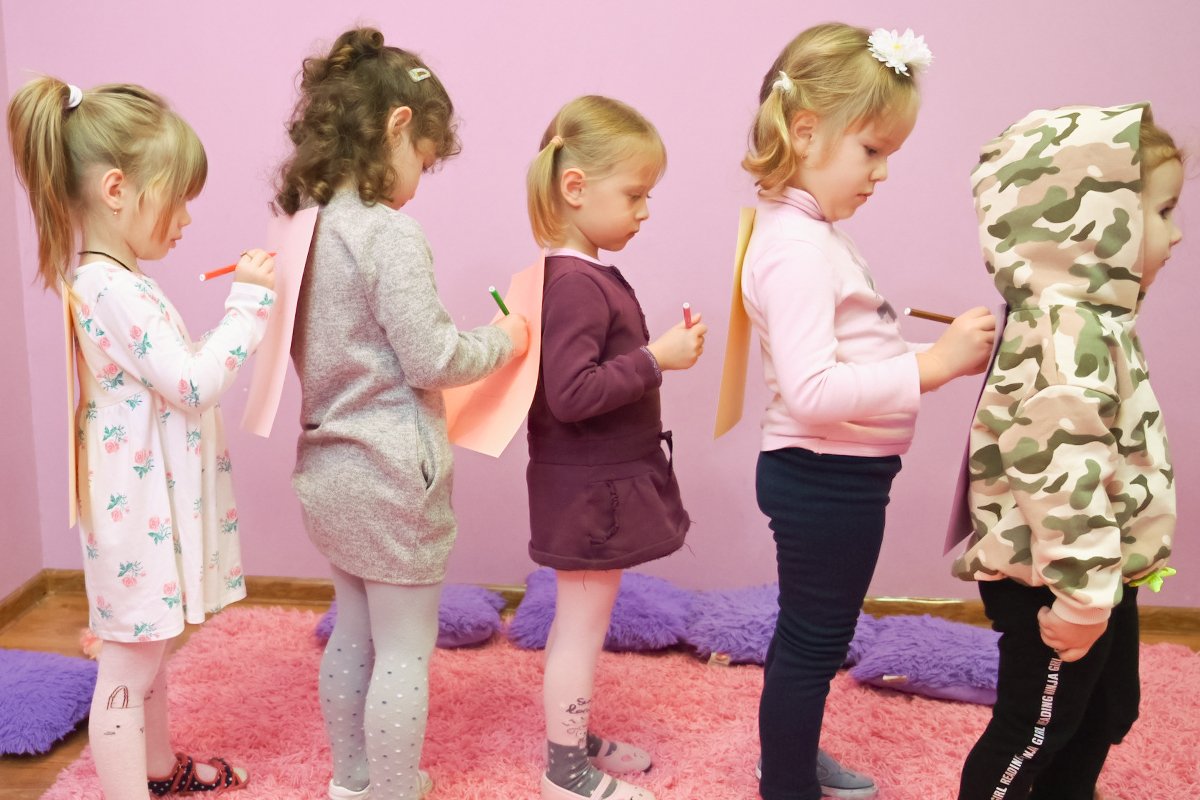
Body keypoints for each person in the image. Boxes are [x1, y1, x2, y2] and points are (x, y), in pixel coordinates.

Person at [739, 23, 995, 800]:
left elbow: (846, 356)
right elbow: (813, 391)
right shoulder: (797, 250)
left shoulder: (817, 237)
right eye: (872, 150)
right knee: (814, 642)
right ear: (806, 131)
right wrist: (933, 365)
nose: (882, 173)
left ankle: (788, 756)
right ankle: (786, 783)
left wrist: (926, 354)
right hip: (823, 479)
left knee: (812, 636)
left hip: (838, 476)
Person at [273, 27, 529, 800]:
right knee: (406, 650)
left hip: (328, 465)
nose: (420, 179)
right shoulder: (387, 232)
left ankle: (352, 781)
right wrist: (505, 340)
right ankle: (392, 790)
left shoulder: (307, 227)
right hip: (391, 475)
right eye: (424, 157)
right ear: (397, 126)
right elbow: (432, 358)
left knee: (353, 631)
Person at [7, 77, 275, 798]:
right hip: (137, 512)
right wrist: (248, 307)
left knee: (149, 650)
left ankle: (157, 771)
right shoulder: (113, 289)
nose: (186, 218)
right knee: (128, 666)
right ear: (117, 190)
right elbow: (191, 382)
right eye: (178, 198)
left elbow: (167, 381)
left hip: (145, 505)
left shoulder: (112, 281)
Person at [954, 103, 1183, 800]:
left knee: (1105, 713)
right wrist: (1081, 601)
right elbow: (1059, 474)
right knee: (1036, 729)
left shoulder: (1099, 323)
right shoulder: (1065, 333)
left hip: (1098, 573)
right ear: (1095, 221)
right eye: (1163, 212)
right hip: (1055, 581)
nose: (1176, 235)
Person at [524, 95, 706, 800]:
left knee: (583, 623)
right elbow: (572, 393)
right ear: (575, 187)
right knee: (580, 627)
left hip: (589, 487)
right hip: (587, 493)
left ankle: (571, 739)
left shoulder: (580, 276)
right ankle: (564, 771)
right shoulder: (575, 283)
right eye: (634, 194)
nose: (645, 211)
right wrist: (657, 359)